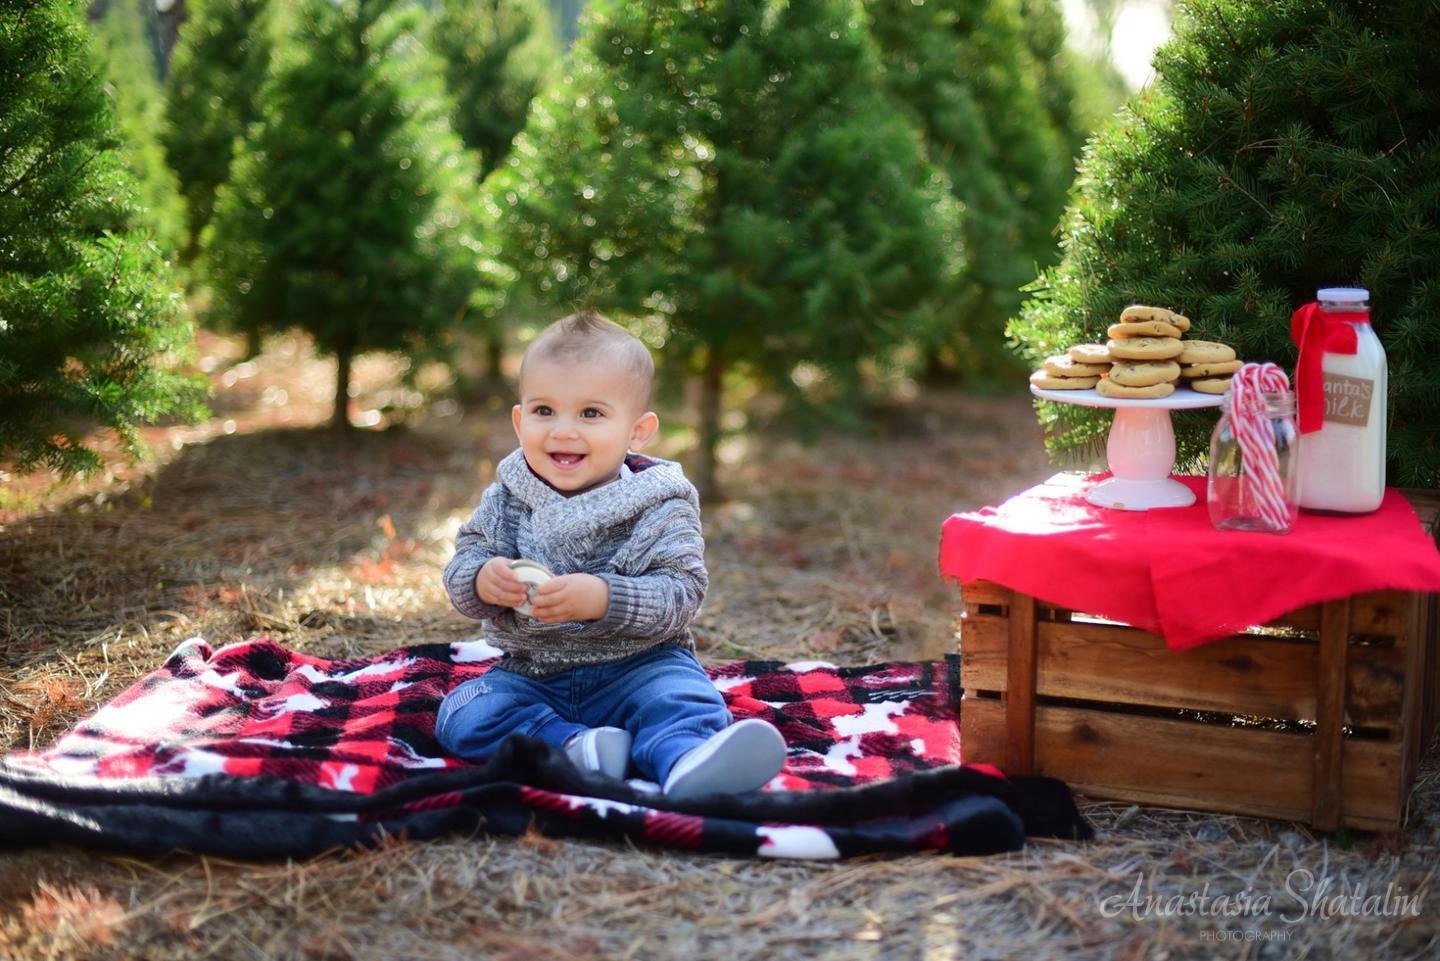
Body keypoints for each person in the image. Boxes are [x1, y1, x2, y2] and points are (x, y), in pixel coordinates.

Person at [436, 310, 787, 798]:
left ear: (637, 432)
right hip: (534, 672)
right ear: (519, 421)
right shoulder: (509, 494)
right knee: (464, 711)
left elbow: (681, 593)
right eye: (544, 411)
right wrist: (481, 580)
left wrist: (604, 598)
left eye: (591, 414)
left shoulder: (661, 501)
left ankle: (685, 759)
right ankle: (576, 748)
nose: (562, 431)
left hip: (640, 663)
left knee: (681, 698)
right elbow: (465, 560)